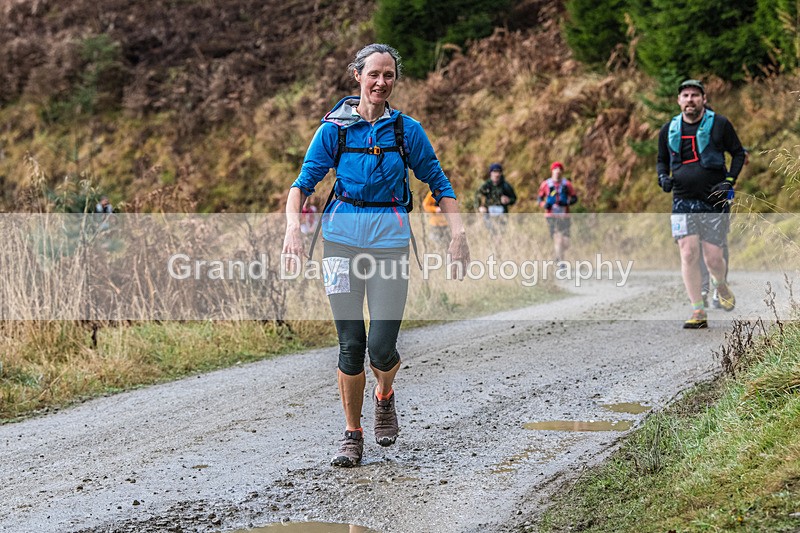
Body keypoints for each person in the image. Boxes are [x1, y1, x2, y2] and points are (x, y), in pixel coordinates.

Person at [281, 44, 470, 467]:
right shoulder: (334, 129)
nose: (381, 82)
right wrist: (293, 229)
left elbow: (439, 183)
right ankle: (352, 434)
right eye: (374, 74)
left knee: (382, 347)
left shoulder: (406, 131)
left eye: (389, 75)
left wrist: (458, 234)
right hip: (340, 246)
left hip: (389, 245)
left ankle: (384, 395)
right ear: (357, 76)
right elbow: (302, 185)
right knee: (351, 345)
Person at [657, 79, 746, 329]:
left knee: (713, 258)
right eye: (685, 95)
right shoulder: (669, 129)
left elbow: (738, 153)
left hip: (714, 199)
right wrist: (663, 177)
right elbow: (661, 160)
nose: (690, 100)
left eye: (695, 95)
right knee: (687, 252)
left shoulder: (720, 124)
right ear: (679, 101)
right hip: (682, 200)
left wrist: (729, 181)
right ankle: (698, 310)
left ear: (704, 99)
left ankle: (720, 284)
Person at [699, 147, 749, 308]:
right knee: (699, 245)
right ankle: (704, 287)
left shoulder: (716, 129)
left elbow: (737, 151)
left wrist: (742, 154)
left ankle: (718, 289)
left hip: (720, 196)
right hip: (695, 198)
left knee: (719, 245)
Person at [537, 161, 577, 271]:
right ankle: (560, 263)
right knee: (558, 239)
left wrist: (568, 202)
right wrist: (544, 204)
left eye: (560, 170)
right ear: (552, 171)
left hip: (564, 215)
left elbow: (574, 198)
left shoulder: (567, 184)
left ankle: (558, 257)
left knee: (566, 242)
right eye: (555, 169)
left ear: (562, 172)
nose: (557, 172)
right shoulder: (546, 184)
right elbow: (539, 199)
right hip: (551, 215)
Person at [474, 163, 517, 236]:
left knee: (501, 235)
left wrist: (508, 200)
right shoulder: (487, 185)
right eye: (494, 172)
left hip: (502, 215)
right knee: (490, 234)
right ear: (490, 173)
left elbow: (514, 198)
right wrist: (479, 207)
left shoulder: (505, 185)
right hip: (489, 214)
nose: (496, 174)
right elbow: (477, 194)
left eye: (498, 172)